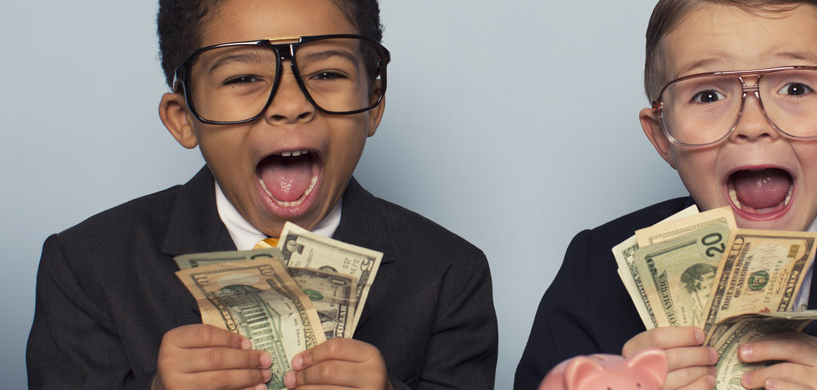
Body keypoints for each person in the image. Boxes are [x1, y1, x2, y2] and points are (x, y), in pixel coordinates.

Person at [25, 0, 497, 389]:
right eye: (243, 78)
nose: (291, 106)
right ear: (183, 118)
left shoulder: (451, 274)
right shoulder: (86, 267)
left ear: (373, 104)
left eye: (327, 74)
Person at [515, 1, 817, 389]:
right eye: (708, 94)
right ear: (663, 136)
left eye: (795, 88)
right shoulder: (594, 272)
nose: (752, 124)